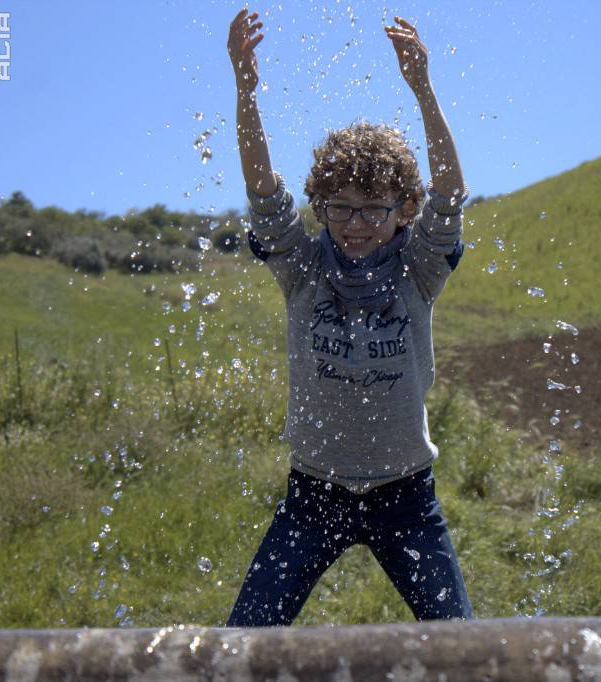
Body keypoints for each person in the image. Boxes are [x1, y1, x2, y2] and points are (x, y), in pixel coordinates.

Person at [225, 7, 472, 627]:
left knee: (463, 646)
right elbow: (262, 193)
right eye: (340, 208)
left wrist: (422, 86)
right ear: (320, 206)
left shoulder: (418, 271)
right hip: (312, 497)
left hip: (407, 498)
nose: (355, 225)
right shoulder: (303, 270)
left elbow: (450, 193)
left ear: (402, 210)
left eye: (373, 210)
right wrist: (244, 89)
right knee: (244, 642)